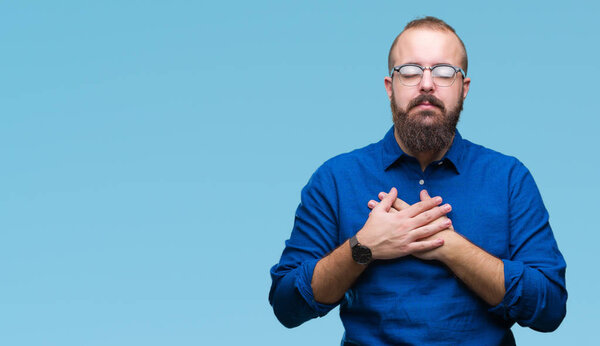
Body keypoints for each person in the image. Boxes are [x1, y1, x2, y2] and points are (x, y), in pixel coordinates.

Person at [269, 16, 566, 345]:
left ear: (464, 89)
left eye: (443, 72)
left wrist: (451, 248)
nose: (426, 84)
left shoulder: (510, 179)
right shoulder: (336, 179)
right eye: (410, 72)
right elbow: (287, 305)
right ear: (389, 86)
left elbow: (550, 309)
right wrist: (364, 248)